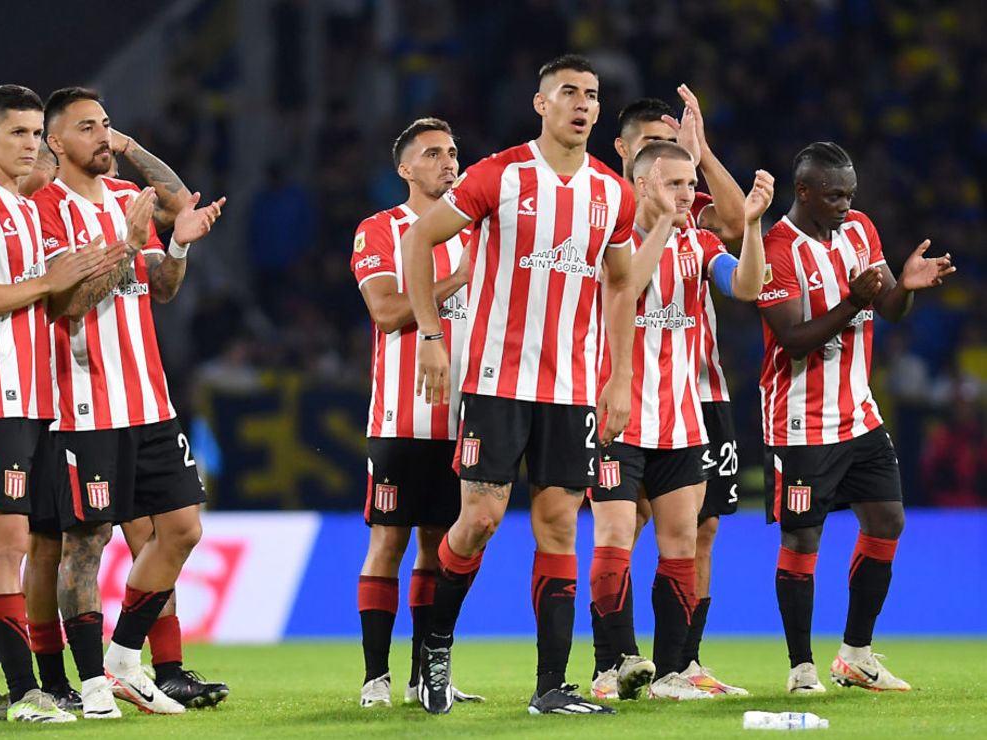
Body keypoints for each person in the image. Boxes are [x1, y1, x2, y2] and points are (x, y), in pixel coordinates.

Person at [401, 54, 642, 716]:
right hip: (496, 382)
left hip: (569, 390)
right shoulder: (500, 176)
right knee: (478, 518)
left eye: (592, 94)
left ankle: (550, 687)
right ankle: (435, 651)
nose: (583, 104)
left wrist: (618, 378)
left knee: (560, 524)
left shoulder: (611, 194)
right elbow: (420, 239)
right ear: (541, 104)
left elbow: (621, 283)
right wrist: (429, 335)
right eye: (569, 92)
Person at [31, 86, 225, 718]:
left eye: (106, 124)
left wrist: (175, 243)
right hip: (84, 409)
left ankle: (123, 657)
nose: (103, 136)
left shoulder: (122, 195)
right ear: (55, 143)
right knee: (86, 545)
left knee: (183, 529)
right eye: (88, 128)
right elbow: (68, 307)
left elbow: (162, 285)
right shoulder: (48, 210)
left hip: (150, 403)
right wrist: (127, 242)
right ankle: (90, 685)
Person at [0, 84, 113, 723]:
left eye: (37, 134)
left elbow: (52, 302)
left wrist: (95, 273)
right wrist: (49, 281)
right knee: (6, 540)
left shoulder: (30, 211)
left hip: (40, 397)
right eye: (18, 133)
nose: (31, 145)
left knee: (8, 545)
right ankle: (24, 691)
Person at [757, 141, 954, 693]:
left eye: (850, 194)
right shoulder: (777, 249)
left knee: (888, 520)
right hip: (799, 420)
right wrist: (851, 301)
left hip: (859, 414)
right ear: (803, 191)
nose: (846, 204)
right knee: (802, 540)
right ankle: (801, 669)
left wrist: (906, 288)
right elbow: (793, 341)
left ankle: (856, 655)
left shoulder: (861, 230)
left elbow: (886, 306)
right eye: (834, 195)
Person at [589, 140, 772, 701]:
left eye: (690, 186)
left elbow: (746, 286)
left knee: (682, 544)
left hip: (681, 422)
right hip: (618, 418)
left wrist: (756, 226)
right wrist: (666, 228)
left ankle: (670, 672)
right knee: (616, 535)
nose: (687, 195)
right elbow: (623, 289)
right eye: (674, 185)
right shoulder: (611, 242)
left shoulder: (700, 243)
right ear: (643, 185)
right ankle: (611, 666)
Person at [350, 117, 484, 709]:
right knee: (388, 543)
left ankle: (423, 676)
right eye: (432, 154)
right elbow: (385, 311)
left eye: (452, 152)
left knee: (439, 546)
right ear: (404, 169)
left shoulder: (480, 228)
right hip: (402, 419)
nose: (448, 162)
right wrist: (455, 278)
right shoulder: (381, 230)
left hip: (468, 421)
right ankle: (375, 678)